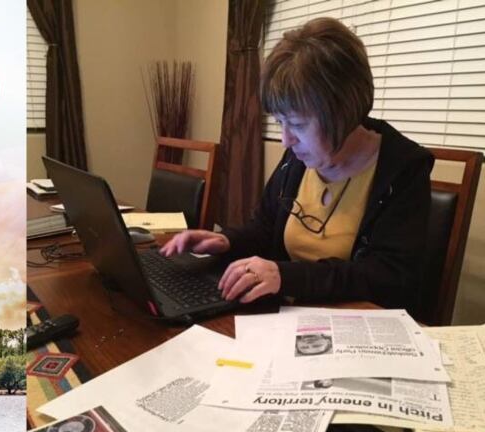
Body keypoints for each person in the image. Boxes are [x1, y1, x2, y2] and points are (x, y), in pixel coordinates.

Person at [160, 17, 433, 311]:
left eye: (298, 124)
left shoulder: (404, 168)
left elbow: (388, 277)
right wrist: (226, 240)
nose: (286, 141)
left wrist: (287, 277)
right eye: (280, 122)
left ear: (343, 110)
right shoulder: (299, 157)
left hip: (357, 330)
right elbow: (266, 227)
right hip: (291, 318)